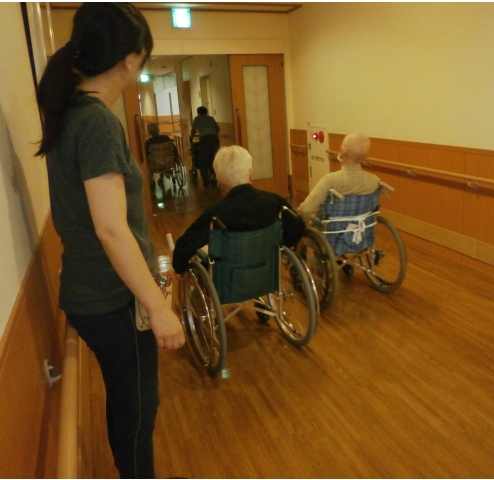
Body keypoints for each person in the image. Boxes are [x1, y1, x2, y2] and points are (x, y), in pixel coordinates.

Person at [35, 3, 185, 478]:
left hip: (92, 289)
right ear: (131, 58)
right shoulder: (96, 121)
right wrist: (159, 309)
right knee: (137, 409)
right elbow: (111, 228)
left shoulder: (69, 111)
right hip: (111, 298)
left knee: (130, 402)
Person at [172, 145, 306, 275]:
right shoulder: (274, 202)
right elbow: (298, 228)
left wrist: (180, 269)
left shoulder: (215, 213)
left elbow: (184, 247)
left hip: (228, 279)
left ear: (219, 180)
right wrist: (278, 246)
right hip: (266, 273)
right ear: (251, 173)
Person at [297, 133, 380, 223]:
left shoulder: (330, 180)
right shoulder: (374, 180)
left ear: (343, 151)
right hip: (362, 228)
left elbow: (306, 210)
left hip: (333, 229)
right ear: (365, 156)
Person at [190, 106, 220, 187]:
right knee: (214, 159)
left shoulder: (197, 118)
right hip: (214, 139)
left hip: (205, 140)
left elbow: (193, 130)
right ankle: (214, 177)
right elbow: (218, 129)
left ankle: (206, 181)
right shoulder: (211, 118)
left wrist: (191, 137)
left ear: (199, 112)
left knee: (203, 160)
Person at [145, 122, 180, 189]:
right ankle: (165, 172)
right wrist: (177, 157)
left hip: (155, 164)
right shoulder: (166, 138)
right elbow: (173, 149)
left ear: (149, 132)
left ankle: (154, 177)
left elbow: (145, 154)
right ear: (158, 129)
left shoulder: (148, 142)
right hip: (168, 162)